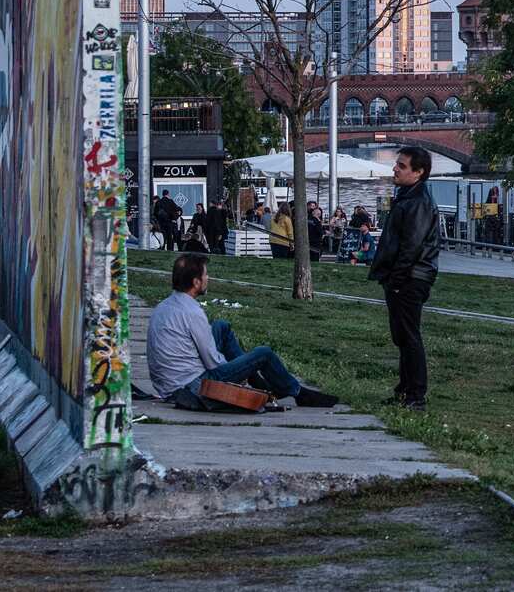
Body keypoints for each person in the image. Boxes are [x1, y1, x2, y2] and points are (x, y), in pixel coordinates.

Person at [147, 253, 338, 407]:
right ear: (196, 282)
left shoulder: (164, 306)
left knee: (221, 327)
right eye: (205, 275)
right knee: (263, 354)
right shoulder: (192, 312)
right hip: (194, 386)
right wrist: (241, 371)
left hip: (170, 383)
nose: (208, 278)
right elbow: (214, 363)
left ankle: (260, 385)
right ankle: (299, 393)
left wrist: (241, 368)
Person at [368, 147, 440, 412]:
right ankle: (405, 390)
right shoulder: (408, 196)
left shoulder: (418, 201)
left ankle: (416, 396)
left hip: (411, 278)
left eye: (402, 165)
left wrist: (397, 280)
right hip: (404, 276)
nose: (395, 169)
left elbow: (411, 246)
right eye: (396, 164)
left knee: (409, 336)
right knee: (402, 336)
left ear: (418, 173)